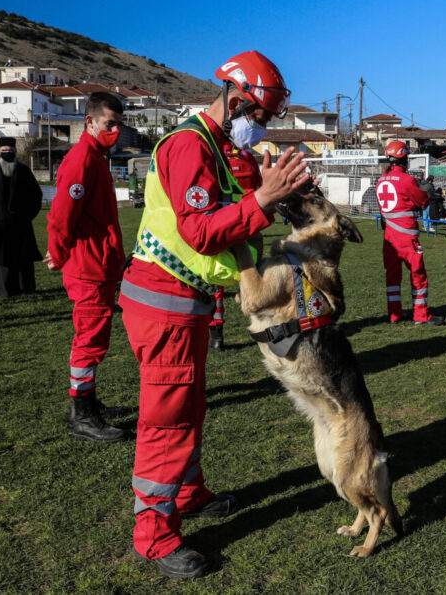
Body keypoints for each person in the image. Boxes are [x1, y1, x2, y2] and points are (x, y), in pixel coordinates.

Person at [118, 51, 310, 578]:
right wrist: (263, 199)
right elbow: (199, 230)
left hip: (185, 301)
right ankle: (154, 535)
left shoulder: (219, 149)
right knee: (167, 419)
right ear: (233, 98)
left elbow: (233, 210)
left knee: (190, 405)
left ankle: (189, 493)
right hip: (165, 302)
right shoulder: (188, 145)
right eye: (257, 116)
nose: (259, 127)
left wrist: (271, 192)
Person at [45, 92, 128, 444]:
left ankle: (88, 401)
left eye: (118, 124)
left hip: (100, 261)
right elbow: (61, 216)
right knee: (89, 339)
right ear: (89, 121)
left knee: (96, 336)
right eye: (109, 123)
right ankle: (82, 413)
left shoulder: (96, 157)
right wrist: (58, 253)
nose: (115, 130)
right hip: (87, 265)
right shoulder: (82, 159)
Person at [207, 107, 264, 352]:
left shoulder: (213, 155)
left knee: (215, 283)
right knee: (252, 275)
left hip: (221, 223)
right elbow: (260, 191)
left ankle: (216, 335)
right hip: (248, 225)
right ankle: (262, 326)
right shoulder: (248, 159)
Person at [377, 140, 446, 326]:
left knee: (392, 275)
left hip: (389, 236)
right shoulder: (407, 180)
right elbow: (423, 201)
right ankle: (421, 315)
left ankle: (394, 314)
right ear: (404, 158)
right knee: (418, 275)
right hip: (406, 235)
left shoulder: (381, 180)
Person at [0, 137, 43, 297]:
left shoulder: (24, 171)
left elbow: (35, 196)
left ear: (15, 152)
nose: (7, 153)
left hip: (20, 223)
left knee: (21, 257)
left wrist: (27, 216)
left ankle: (23, 288)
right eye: (3, 151)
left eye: (10, 151)